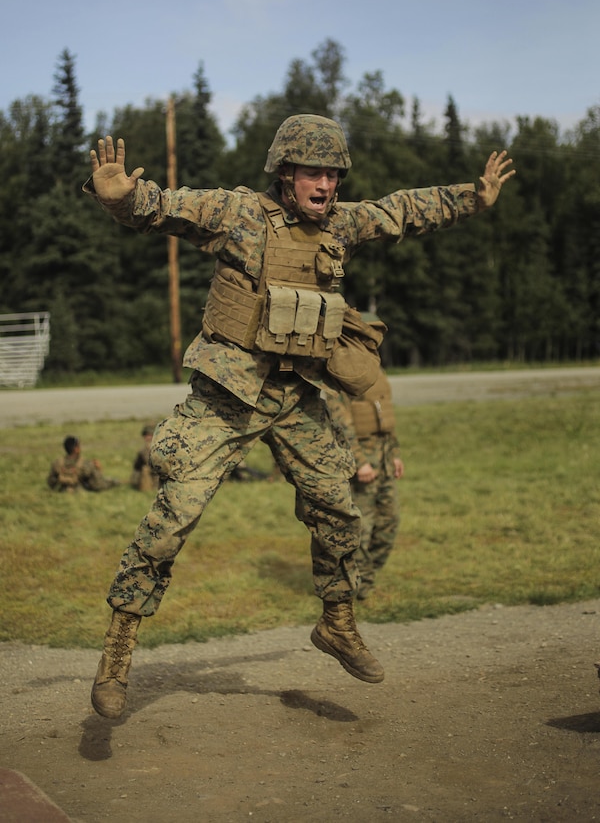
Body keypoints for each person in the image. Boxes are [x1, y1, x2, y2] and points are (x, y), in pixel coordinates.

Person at [83, 114, 515, 719]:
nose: (326, 184)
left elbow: (401, 211)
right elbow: (167, 208)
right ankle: (116, 655)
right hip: (227, 396)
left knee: (337, 508)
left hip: (295, 395)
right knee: (172, 518)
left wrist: (473, 197)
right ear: (285, 173)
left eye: (334, 174)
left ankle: (337, 623)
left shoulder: (341, 224)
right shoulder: (239, 214)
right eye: (314, 172)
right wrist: (122, 200)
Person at [326, 321, 403, 601]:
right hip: (362, 457)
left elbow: (385, 414)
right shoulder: (340, 369)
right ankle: (356, 586)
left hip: (383, 454)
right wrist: (359, 462)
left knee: (389, 522)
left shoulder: (374, 368)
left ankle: (367, 577)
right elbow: (340, 422)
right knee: (362, 527)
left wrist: (394, 454)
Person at [47, 436, 119, 493]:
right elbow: (98, 485)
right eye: (79, 446)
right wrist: (99, 470)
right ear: (76, 449)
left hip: (62, 489)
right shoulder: (85, 464)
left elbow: (50, 481)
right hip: (79, 489)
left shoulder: (57, 463)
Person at [130, 424, 159, 492]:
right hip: (147, 479)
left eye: (150, 435)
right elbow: (137, 466)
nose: (148, 438)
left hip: (158, 478)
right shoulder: (143, 450)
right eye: (146, 435)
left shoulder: (160, 448)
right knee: (145, 469)